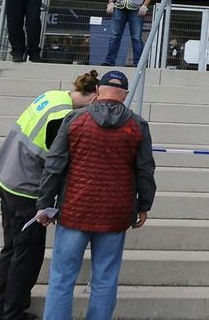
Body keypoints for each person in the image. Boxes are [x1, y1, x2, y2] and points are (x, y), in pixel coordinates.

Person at [36, 70, 156, 320]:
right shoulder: (137, 125)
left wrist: (45, 203)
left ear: (98, 91)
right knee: (105, 278)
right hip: (115, 214)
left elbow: (54, 164)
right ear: (124, 96)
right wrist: (144, 205)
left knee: (61, 278)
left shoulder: (75, 119)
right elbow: (145, 169)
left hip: (74, 210)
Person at [0, 71, 99, 320]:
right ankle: (13, 313)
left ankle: (0, 309)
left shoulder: (52, 96)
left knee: (11, 249)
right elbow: (55, 160)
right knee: (27, 255)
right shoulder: (62, 116)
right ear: (93, 98)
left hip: (8, 176)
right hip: (27, 186)